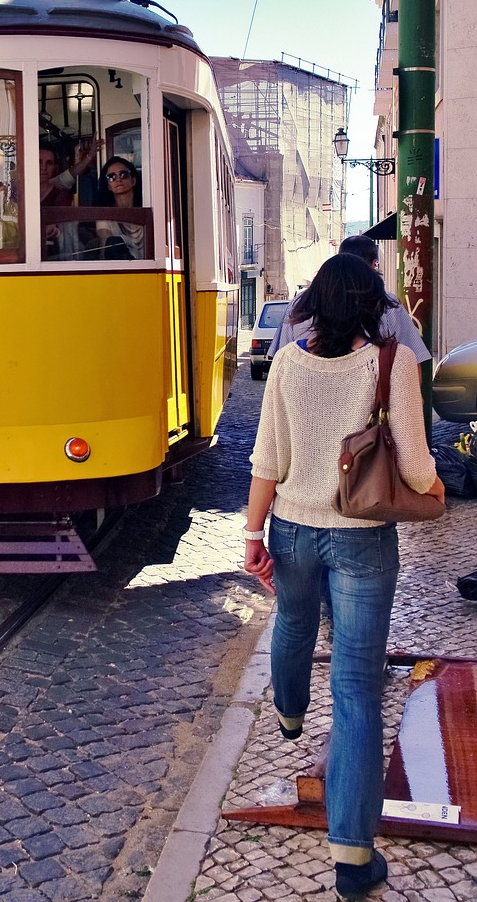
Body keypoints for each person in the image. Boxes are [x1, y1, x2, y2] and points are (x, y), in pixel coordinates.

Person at [243, 254, 445, 900]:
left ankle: (290, 712)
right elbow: (413, 466)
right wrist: (436, 488)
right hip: (362, 540)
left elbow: (267, 458)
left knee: (294, 620)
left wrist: (252, 535)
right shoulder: (392, 362)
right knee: (358, 692)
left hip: (292, 530)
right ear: (372, 303)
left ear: (312, 304)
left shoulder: (287, 363)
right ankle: (353, 861)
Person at [270, 235, 431, 376]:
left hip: (305, 395)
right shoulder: (386, 303)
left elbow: (282, 362)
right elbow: (413, 358)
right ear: (374, 264)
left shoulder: (300, 302)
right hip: (370, 401)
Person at [95, 156, 144, 259]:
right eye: (112, 177)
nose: (118, 180)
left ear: (133, 181)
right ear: (108, 186)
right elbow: (107, 243)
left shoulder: (146, 211)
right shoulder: (105, 217)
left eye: (123, 175)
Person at [39, 137, 102, 206]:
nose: (44, 167)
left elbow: (71, 174)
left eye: (49, 163)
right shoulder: (25, 190)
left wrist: (90, 155)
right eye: (39, 162)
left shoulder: (59, 194)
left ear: (55, 166)